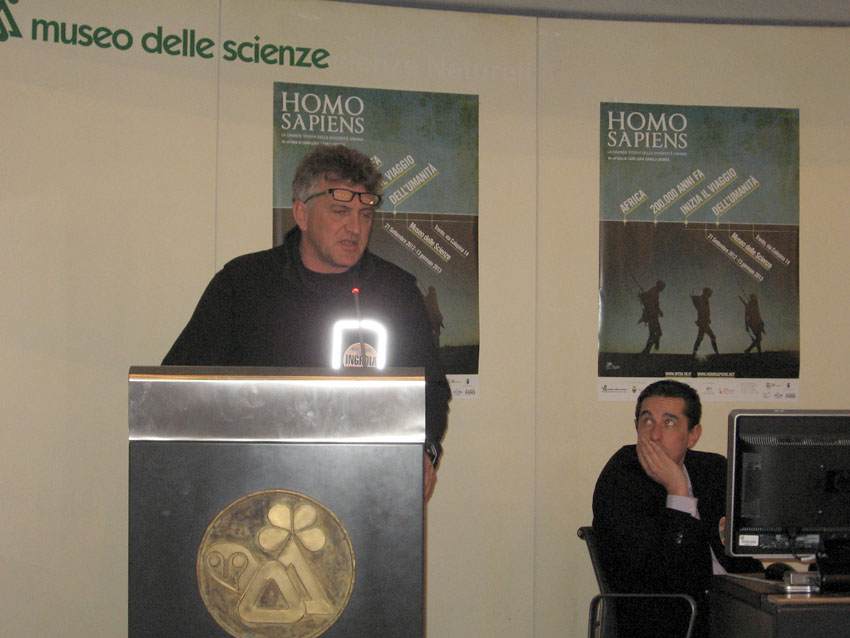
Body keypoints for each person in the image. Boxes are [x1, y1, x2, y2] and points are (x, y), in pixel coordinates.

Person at [162, 144, 450, 499]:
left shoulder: (396, 292)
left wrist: (424, 450)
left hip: (365, 486)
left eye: (365, 215)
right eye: (340, 211)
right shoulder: (242, 284)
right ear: (301, 213)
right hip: (254, 484)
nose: (355, 228)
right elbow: (178, 385)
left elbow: (430, 388)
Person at [592, 380, 761, 638]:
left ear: (693, 435)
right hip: (668, 619)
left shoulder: (714, 470)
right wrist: (678, 492)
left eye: (669, 423)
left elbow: (742, 552)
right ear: (636, 426)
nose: (654, 435)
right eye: (647, 421)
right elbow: (659, 578)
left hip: (732, 606)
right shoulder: (621, 478)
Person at [638, 280, 665, 354]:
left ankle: (647, 349)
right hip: (652, 316)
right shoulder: (653, 291)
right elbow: (651, 303)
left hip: (653, 316)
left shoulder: (655, 292)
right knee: (655, 333)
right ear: (659, 285)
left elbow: (654, 304)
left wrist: (659, 311)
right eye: (662, 286)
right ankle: (648, 349)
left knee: (655, 334)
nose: (663, 288)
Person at [691, 287, 719, 356]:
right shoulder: (702, 299)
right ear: (706, 292)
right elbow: (701, 310)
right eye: (709, 293)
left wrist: (708, 318)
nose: (710, 295)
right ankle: (716, 353)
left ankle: (694, 352)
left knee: (700, 338)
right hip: (703, 322)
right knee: (712, 336)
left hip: (703, 322)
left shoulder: (705, 300)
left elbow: (704, 311)